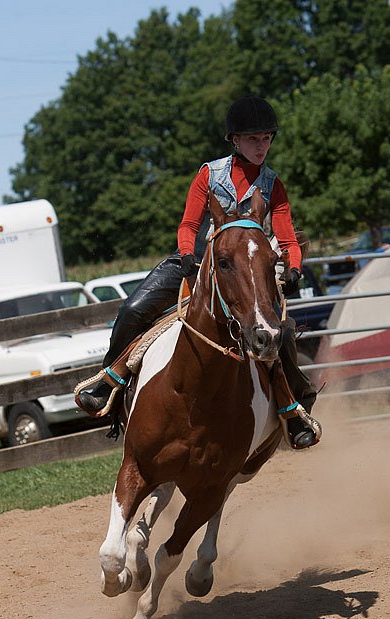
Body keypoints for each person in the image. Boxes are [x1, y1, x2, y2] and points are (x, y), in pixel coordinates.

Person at [77, 96, 319, 448]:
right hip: (197, 261)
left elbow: (287, 236)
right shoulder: (209, 173)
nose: (261, 146)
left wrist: (294, 268)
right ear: (235, 140)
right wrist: (189, 255)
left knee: (275, 332)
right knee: (132, 310)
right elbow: (189, 224)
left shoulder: (273, 184)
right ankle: (108, 383)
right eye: (253, 139)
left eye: (266, 138)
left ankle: (293, 406)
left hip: (246, 273)